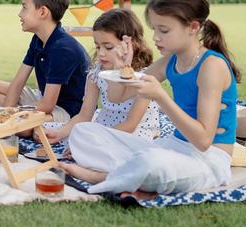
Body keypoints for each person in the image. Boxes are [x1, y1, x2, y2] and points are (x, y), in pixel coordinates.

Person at [66, 0, 241, 195]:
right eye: (155, 29)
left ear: (193, 27)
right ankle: (130, 172)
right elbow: (118, 97)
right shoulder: (170, 61)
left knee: (152, 162)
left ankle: (103, 176)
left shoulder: (211, 66)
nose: (156, 38)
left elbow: (203, 141)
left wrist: (161, 97)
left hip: (209, 159)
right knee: (82, 132)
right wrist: (122, 67)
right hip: (174, 146)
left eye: (164, 30)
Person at [43, 8, 160, 150]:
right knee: (51, 129)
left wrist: (93, 143)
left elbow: (130, 125)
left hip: (132, 131)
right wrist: (59, 134)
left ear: (130, 45)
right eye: (98, 47)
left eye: (108, 47)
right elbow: (84, 115)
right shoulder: (97, 74)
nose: (101, 53)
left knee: (110, 150)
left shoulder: (145, 76)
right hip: (104, 124)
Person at [0, 0, 90, 122]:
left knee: (26, 125)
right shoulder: (38, 39)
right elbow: (18, 83)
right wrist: (6, 111)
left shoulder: (63, 49)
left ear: (43, 12)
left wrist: (11, 112)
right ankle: (5, 114)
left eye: (24, 8)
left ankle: (5, 113)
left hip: (68, 110)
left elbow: (47, 105)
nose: (19, 14)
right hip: (43, 97)